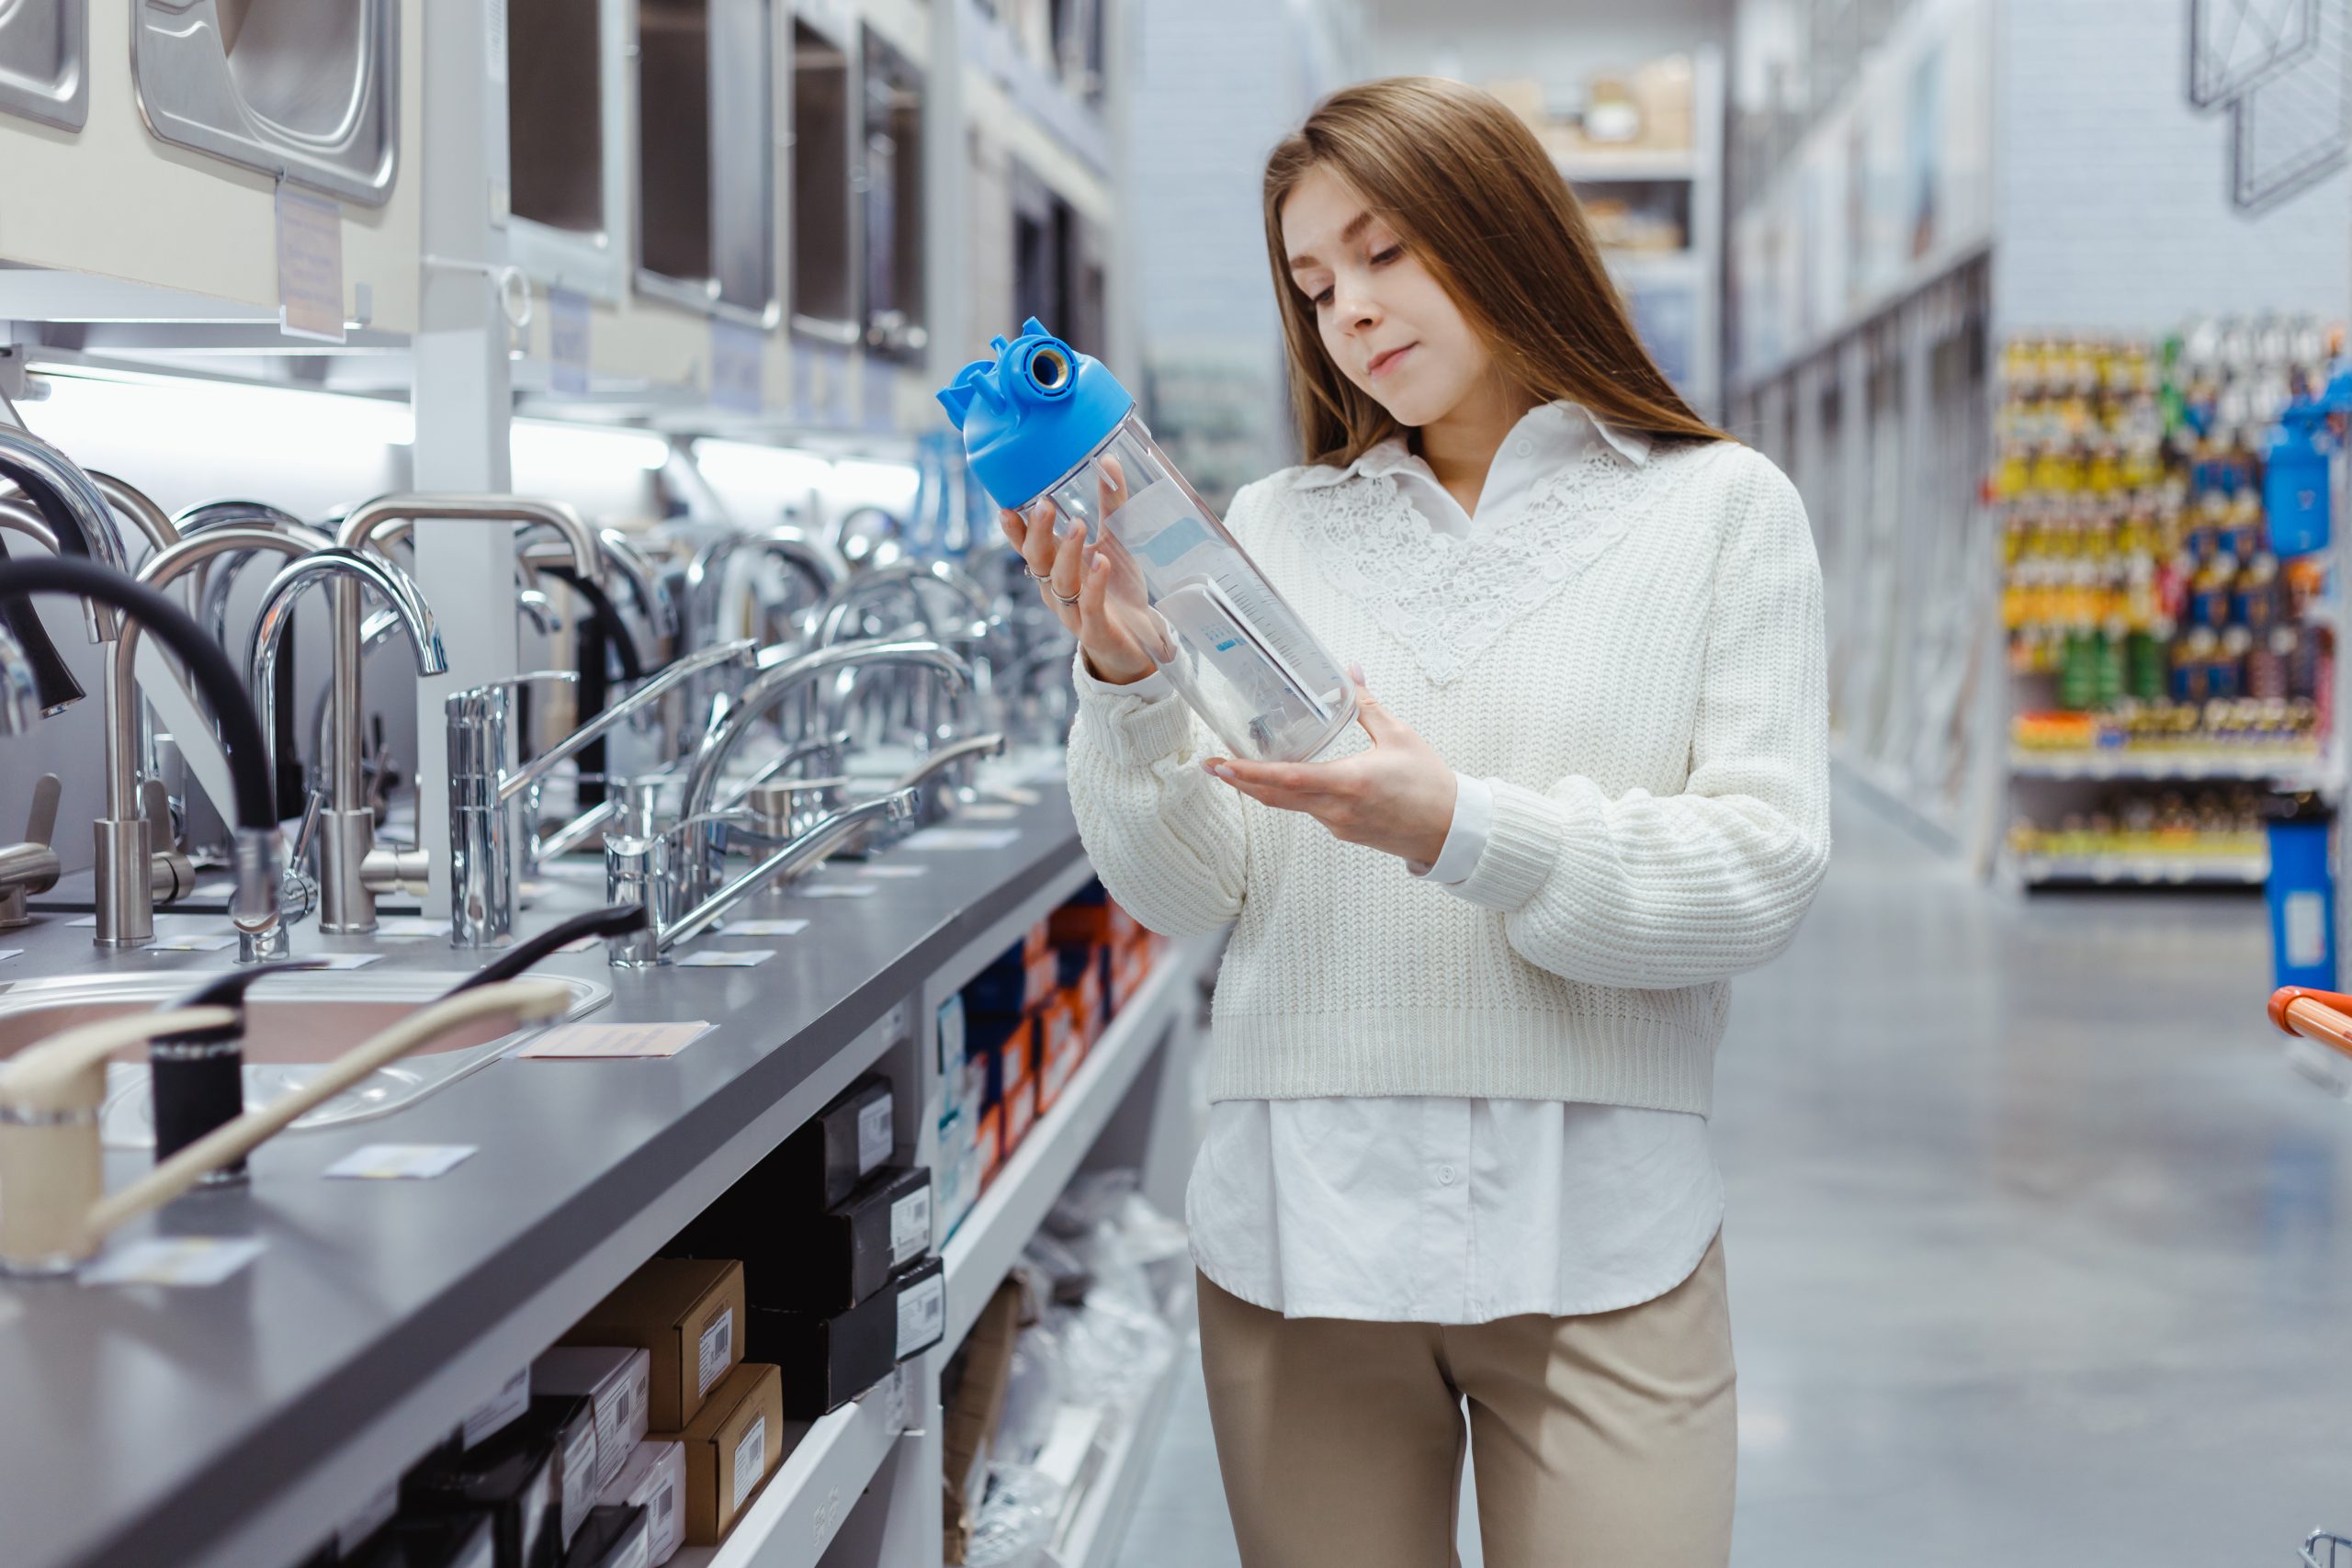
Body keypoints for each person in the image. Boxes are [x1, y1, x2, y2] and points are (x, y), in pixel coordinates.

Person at [1003, 75, 1829, 1568]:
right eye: (1315, 285)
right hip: (1301, 1237)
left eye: (1384, 254)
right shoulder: (1268, 530)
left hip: (1605, 1236)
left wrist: (1461, 827)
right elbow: (1188, 891)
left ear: (1501, 230)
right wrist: (1124, 677)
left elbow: (1759, 874)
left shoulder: (1719, 511)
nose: (1351, 316)